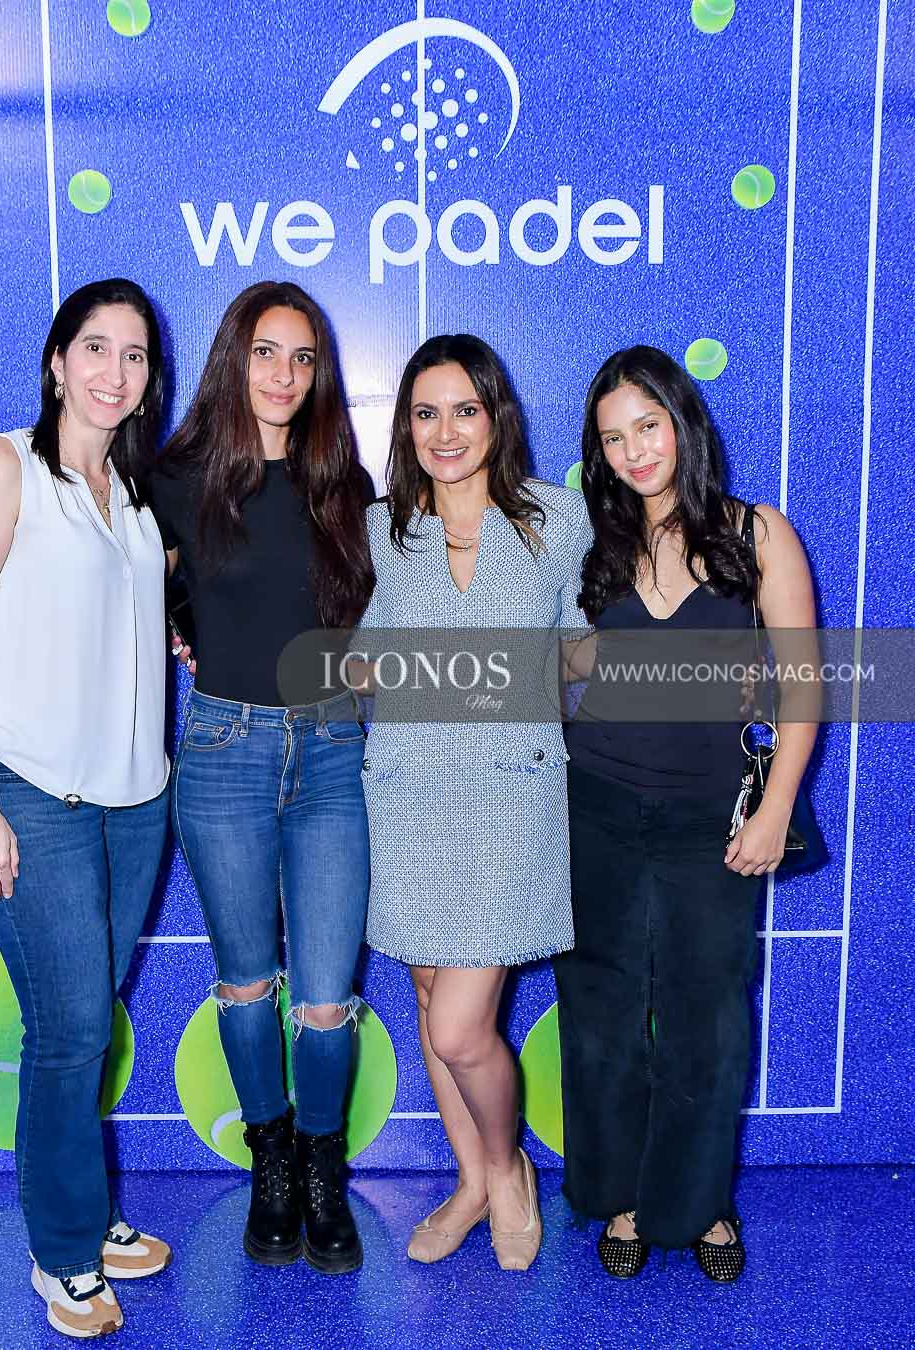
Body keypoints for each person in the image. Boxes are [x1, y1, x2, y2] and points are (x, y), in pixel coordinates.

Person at [0, 279, 173, 1339]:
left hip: (135, 800)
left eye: (135, 355)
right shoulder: (3, 466)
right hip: (31, 792)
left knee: (87, 1022)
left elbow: (119, 616)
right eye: (97, 348)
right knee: (69, 1029)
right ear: (59, 362)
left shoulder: (135, 492)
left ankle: (87, 1209)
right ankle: (65, 1252)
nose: (116, 371)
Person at [558, 344, 818, 1281]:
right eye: (613, 438)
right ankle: (623, 1195)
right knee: (600, 1019)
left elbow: (804, 685)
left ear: (683, 422)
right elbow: (563, 663)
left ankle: (702, 1203)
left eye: (649, 426)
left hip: (711, 817)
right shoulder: (593, 543)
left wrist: (774, 809)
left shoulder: (758, 533)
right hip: (595, 808)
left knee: (707, 1021)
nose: (635, 451)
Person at [150, 281, 375, 1274]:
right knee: (246, 985)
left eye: (303, 357)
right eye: (266, 353)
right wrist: (179, 624)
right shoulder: (174, 480)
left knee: (325, 999)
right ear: (232, 359)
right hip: (223, 754)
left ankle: (323, 1170)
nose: (285, 375)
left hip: (331, 753)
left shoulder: (342, 484)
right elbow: (125, 582)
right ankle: (270, 1162)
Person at [357, 334, 593, 1271]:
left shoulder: (558, 520)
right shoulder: (383, 529)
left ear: (497, 414)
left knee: (461, 1027)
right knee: (428, 999)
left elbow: (586, 648)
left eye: (464, 409)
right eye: (425, 413)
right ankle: (468, 1179)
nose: (445, 432)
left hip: (509, 798)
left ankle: (507, 1171)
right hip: (406, 790)